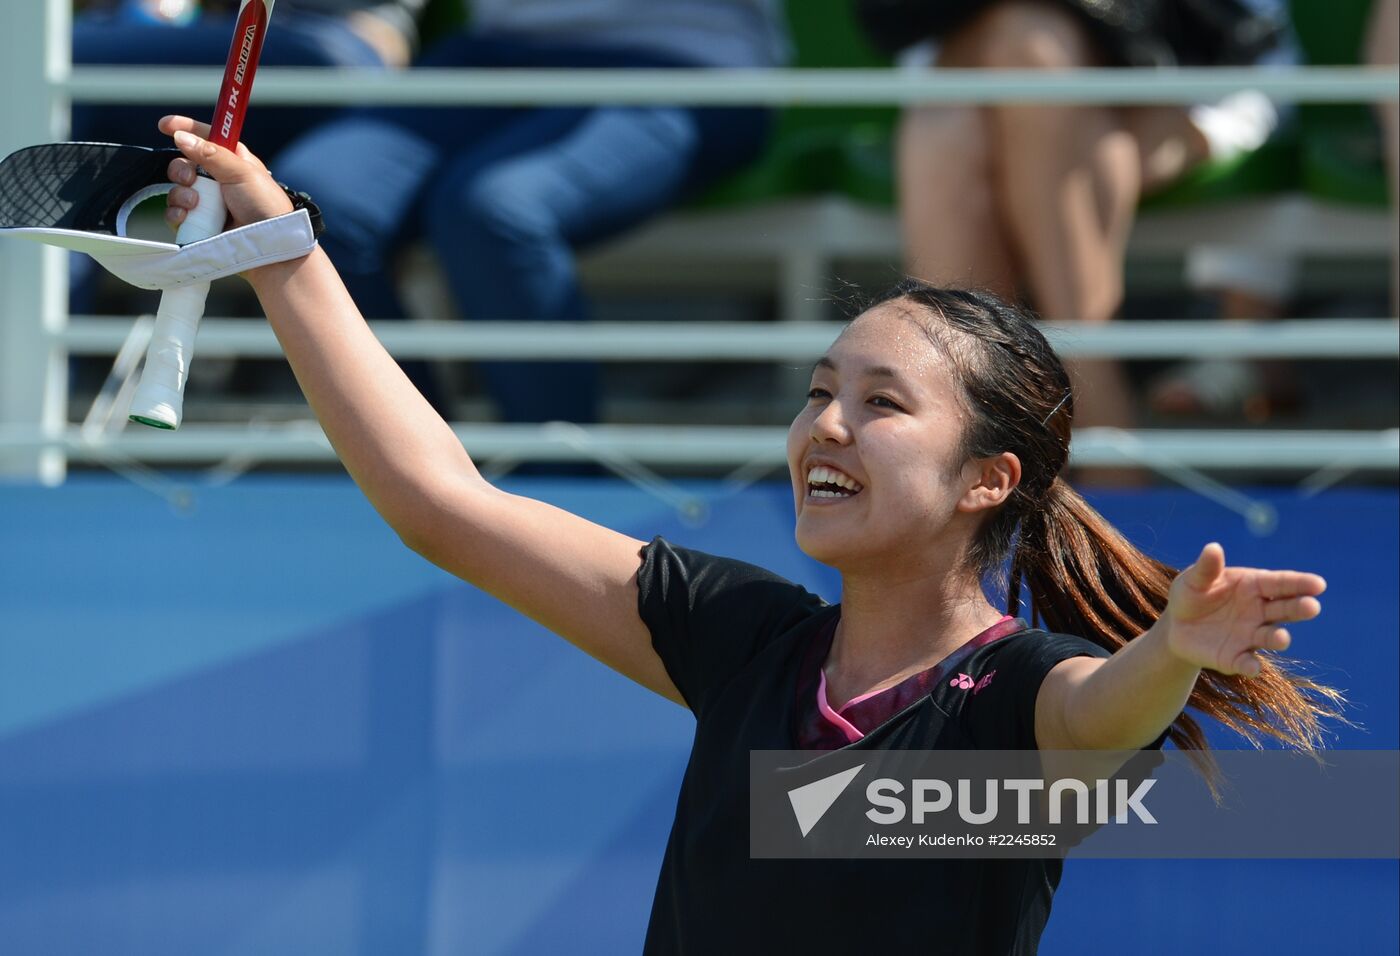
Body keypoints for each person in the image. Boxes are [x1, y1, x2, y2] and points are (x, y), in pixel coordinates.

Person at [158, 114, 1343, 953]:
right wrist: (277, 249)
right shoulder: (743, 638)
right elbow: (443, 503)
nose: (823, 424)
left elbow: (1100, 715)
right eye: (819, 390)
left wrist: (1173, 649)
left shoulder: (1013, 694)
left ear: (987, 478)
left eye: (880, 404)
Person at [268, 0, 784, 423]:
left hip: (686, 60)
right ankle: (407, 470)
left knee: (493, 209)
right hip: (495, 56)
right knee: (309, 207)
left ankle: (559, 494)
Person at [872, 0, 1287, 472]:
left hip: (1189, 66)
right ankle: (1090, 419)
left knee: (1011, 65)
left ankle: (976, 446)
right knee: (983, 94)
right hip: (997, 75)